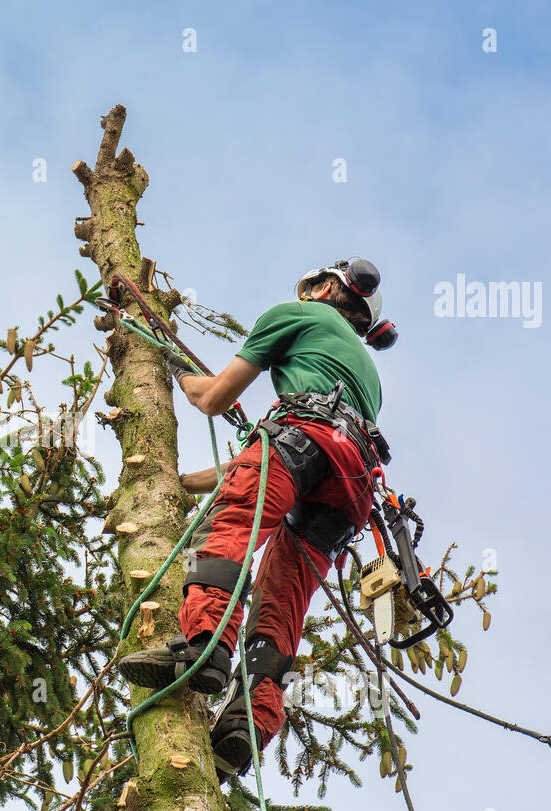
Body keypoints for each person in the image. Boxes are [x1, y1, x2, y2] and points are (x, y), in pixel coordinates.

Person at [117, 258, 396, 776]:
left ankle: (203, 648)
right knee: (282, 601)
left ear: (323, 288)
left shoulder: (295, 313)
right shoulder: (366, 373)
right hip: (349, 486)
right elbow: (276, 463)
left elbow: (215, 398)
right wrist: (182, 483)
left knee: (229, 531)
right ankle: (249, 723)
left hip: (299, 441)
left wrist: (177, 369)